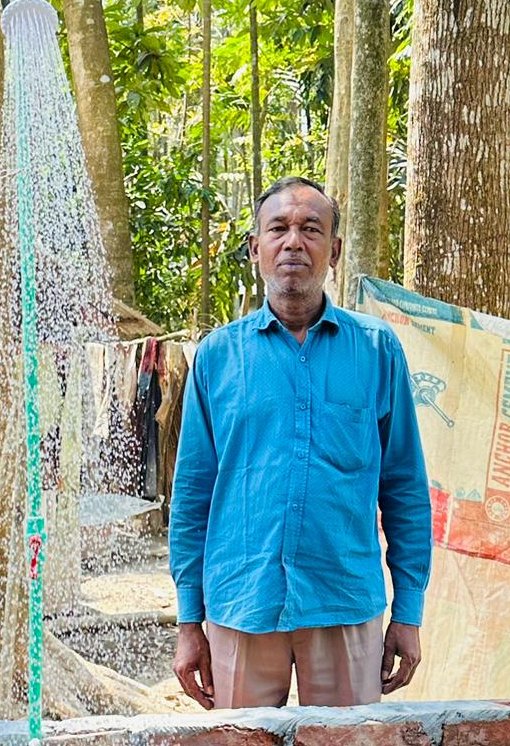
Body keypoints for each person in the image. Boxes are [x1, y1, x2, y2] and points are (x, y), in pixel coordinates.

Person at [169, 177, 432, 711]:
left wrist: (409, 609)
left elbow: (404, 486)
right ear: (255, 249)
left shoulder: (377, 350)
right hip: (241, 603)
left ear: (333, 250)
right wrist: (187, 620)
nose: (294, 242)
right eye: (279, 229)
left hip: (343, 603)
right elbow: (193, 494)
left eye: (311, 229)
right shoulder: (218, 358)